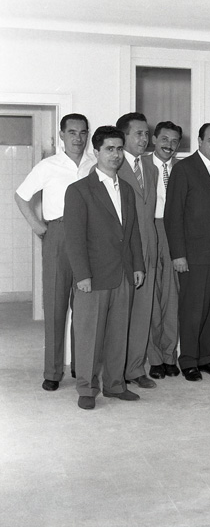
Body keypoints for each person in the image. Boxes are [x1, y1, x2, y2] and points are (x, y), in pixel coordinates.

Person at [63, 125, 145, 410]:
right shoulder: (79, 190)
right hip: (93, 276)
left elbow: (132, 232)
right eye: (109, 149)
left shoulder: (127, 190)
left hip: (123, 273)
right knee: (89, 336)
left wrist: (137, 265)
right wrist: (82, 275)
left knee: (118, 334)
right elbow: (74, 238)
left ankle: (115, 385)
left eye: (119, 149)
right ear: (96, 151)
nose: (115, 154)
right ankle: (86, 388)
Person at [15, 113, 96, 391]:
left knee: (84, 306)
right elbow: (21, 195)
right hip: (58, 236)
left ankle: (80, 366)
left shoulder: (93, 164)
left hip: (88, 238)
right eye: (72, 132)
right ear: (61, 135)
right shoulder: (48, 166)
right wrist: (38, 227)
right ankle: (52, 371)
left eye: (83, 132)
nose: (78, 138)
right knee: (55, 305)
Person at [164, 122, 210, 382]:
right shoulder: (184, 169)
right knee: (193, 310)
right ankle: (189, 360)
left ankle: (205, 357)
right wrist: (178, 254)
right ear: (200, 142)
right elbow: (173, 214)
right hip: (193, 255)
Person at [116, 112, 158, 389]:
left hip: (149, 249)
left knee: (143, 313)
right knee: (120, 315)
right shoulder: (111, 167)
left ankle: (135, 368)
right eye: (138, 133)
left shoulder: (150, 168)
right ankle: (115, 370)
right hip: (124, 252)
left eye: (146, 133)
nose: (144, 139)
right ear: (124, 136)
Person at [144, 121, 182, 379]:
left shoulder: (182, 168)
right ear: (154, 139)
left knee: (171, 297)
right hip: (149, 230)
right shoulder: (140, 165)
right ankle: (154, 358)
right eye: (165, 139)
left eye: (175, 141)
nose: (169, 145)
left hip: (174, 233)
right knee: (150, 298)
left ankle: (169, 356)